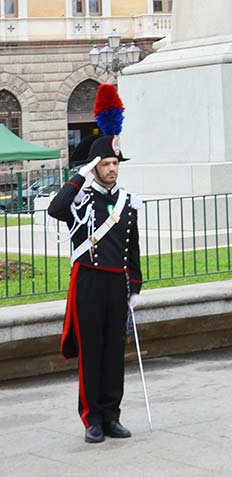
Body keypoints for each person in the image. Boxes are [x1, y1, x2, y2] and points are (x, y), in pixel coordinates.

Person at [48, 85, 143, 444]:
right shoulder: (79, 201)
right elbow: (55, 208)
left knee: (113, 351)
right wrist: (81, 175)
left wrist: (135, 285)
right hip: (88, 280)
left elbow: (131, 249)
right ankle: (92, 419)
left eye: (115, 164)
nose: (112, 169)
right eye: (106, 164)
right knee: (91, 351)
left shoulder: (127, 203)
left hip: (116, 284)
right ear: (94, 167)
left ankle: (112, 414)